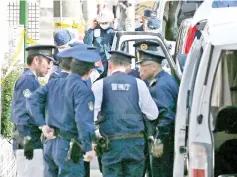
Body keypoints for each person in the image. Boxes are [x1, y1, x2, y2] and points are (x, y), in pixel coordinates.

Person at [27, 46, 100, 177]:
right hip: (69, 146)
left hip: (51, 143)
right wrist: (88, 147)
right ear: (89, 72)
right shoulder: (83, 89)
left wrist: (42, 125)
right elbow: (82, 120)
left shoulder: (54, 83)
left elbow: (32, 100)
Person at [92, 50, 159, 177]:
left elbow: (91, 117)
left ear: (110, 65)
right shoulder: (139, 84)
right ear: (128, 67)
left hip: (111, 144)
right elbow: (153, 114)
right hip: (135, 143)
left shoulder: (99, 85)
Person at [136, 41, 179, 177]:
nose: (139, 70)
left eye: (142, 66)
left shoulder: (160, 87)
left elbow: (166, 116)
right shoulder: (164, 80)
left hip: (162, 142)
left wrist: (159, 140)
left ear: (154, 67)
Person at [11, 44, 55, 160]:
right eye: (48, 61)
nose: (50, 66)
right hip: (28, 138)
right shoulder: (28, 80)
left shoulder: (32, 79)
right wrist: (27, 139)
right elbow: (22, 111)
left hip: (31, 136)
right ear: (36, 60)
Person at [83, 8, 115, 78]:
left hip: (110, 61)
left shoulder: (113, 30)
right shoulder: (94, 30)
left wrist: (116, 28)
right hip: (98, 61)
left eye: (106, 23)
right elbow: (87, 43)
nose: (104, 24)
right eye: (102, 23)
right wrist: (91, 28)